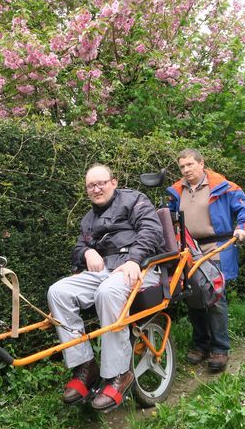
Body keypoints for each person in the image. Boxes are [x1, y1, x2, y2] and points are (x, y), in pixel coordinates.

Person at [47, 164, 164, 412]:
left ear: (114, 182)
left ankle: (118, 374)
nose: (97, 189)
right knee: (57, 292)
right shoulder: (88, 219)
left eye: (101, 183)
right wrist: (87, 251)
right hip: (105, 272)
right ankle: (85, 366)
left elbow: (152, 230)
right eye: (91, 185)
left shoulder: (134, 200)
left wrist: (135, 259)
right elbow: (77, 249)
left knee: (108, 292)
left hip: (139, 268)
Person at [167, 149, 245, 372]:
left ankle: (220, 349)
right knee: (192, 297)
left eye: (190, 165)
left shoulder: (223, 186)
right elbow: (169, 219)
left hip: (215, 248)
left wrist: (241, 228)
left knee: (215, 298)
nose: (186, 170)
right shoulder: (177, 191)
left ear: (201, 163)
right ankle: (201, 345)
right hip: (188, 252)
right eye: (182, 167)